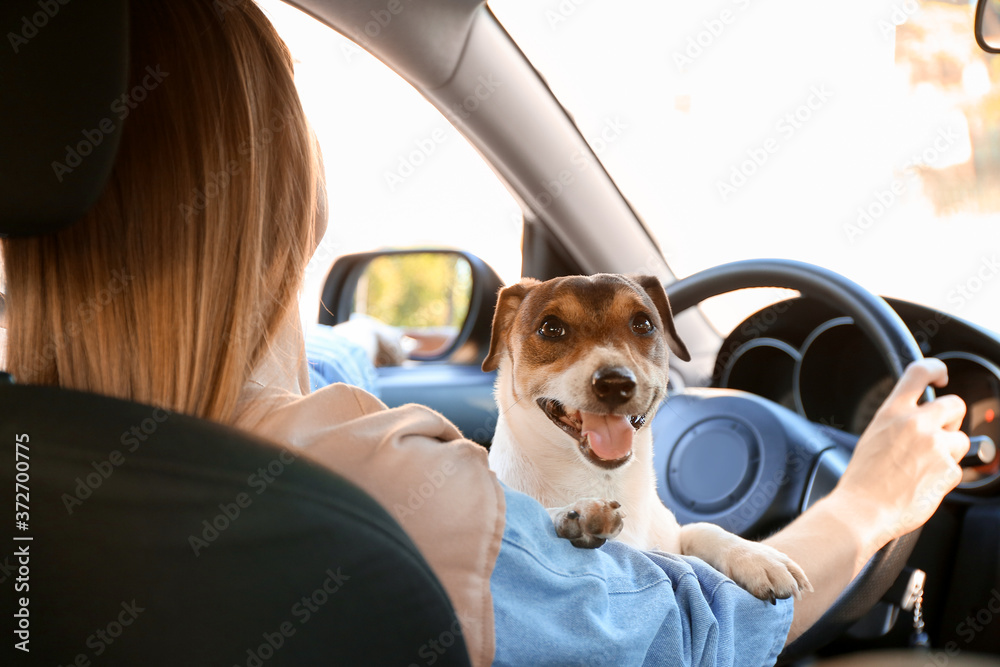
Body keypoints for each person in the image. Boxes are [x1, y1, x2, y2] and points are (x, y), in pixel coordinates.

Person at [0, 1, 970, 665]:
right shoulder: (390, 494)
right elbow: (677, 637)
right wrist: (866, 505)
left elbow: (313, 359)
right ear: (287, 198)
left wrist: (376, 339)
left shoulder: (38, 457)